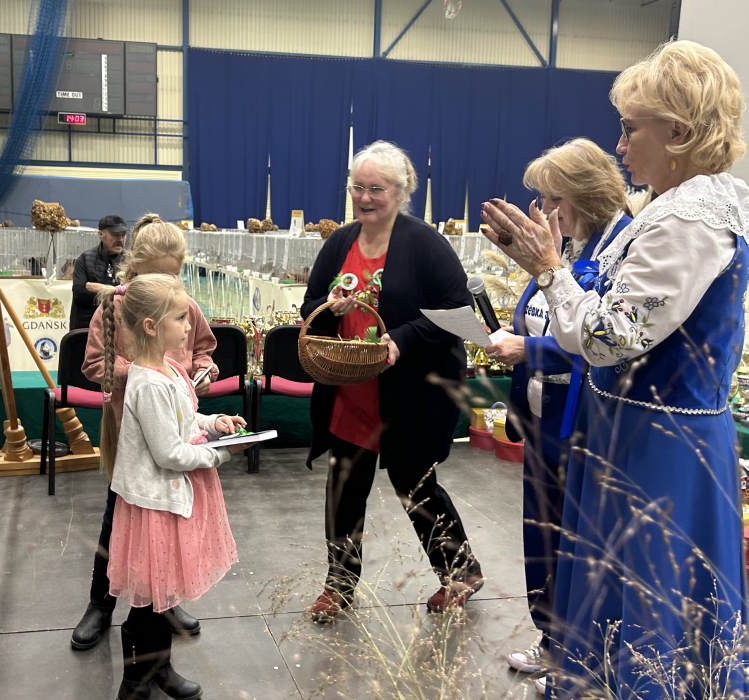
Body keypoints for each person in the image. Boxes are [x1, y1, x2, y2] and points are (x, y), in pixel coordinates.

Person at [481, 40, 749, 698]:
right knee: (625, 595)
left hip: (657, 446)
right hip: (641, 432)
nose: (621, 146)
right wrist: (546, 268)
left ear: (678, 133)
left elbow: (607, 336)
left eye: (631, 128)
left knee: (647, 598)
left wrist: (549, 271)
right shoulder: (677, 205)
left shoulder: (688, 219)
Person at [301, 140, 482, 623]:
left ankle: (461, 572)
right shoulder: (340, 242)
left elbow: (458, 313)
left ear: (402, 192)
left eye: (376, 189)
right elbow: (310, 305)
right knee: (343, 491)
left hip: (410, 395)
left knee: (415, 487)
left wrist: (401, 338)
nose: (365, 197)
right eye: (357, 187)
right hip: (350, 391)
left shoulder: (424, 243)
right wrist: (329, 311)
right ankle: (339, 585)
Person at [484, 139, 632, 694]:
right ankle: (551, 639)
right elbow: (542, 315)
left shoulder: (619, 247)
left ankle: (583, 651)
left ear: (585, 195)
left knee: (577, 543)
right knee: (541, 535)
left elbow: (604, 341)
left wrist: (529, 349)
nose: (546, 211)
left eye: (553, 198)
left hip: (584, 422)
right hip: (540, 417)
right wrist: (514, 333)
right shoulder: (564, 247)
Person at [71, 214, 220, 651]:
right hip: (130, 434)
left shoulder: (184, 306)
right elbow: (93, 364)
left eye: (173, 276)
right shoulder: (116, 308)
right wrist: (144, 374)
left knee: (170, 523)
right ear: (134, 266)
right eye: (157, 275)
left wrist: (203, 370)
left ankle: (165, 601)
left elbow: (204, 349)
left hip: (177, 433)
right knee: (117, 519)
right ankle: (101, 604)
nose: (167, 284)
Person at [105, 273, 251, 700]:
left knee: (162, 597)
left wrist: (214, 423)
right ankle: (135, 682)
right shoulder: (148, 382)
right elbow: (169, 452)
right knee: (149, 604)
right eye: (181, 318)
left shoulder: (167, 368)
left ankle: (160, 669)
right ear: (152, 326)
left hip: (169, 499)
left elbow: (185, 417)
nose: (189, 326)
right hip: (156, 504)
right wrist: (222, 455)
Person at [69, 214, 129, 330]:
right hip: (86, 327)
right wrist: (118, 291)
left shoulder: (130, 261)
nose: (120, 239)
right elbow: (79, 295)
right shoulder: (85, 259)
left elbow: (134, 294)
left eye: (123, 235)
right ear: (100, 234)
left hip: (119, 326)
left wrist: (101, 288)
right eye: (115, 235)